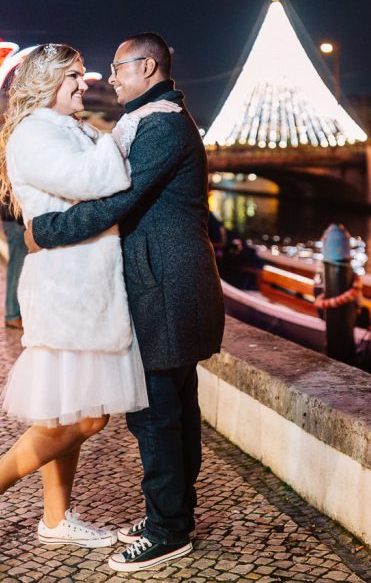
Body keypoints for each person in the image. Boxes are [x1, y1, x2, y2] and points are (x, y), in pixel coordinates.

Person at [0, 43, 180, 553]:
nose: (86, 85)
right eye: (75, 78)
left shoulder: (71, 128)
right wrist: (128, 128)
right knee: (87, 416)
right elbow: (98, 179)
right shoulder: (36, 134)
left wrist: (108, 133)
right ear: (46, 82)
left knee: (65, 411)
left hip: (85, 284)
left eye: (84, 76)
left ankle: (55, 519)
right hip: (68, 287)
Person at [26, 32, 225, 572]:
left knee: (157, 413)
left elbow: (120, 199)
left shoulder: (159, 124)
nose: (108, 78)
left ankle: (168, 530)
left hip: (165, 285)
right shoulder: (154, 119)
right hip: (168, 281)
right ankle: (173, 512)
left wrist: (45, 231)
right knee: (174, 408)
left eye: (117, 67)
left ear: (148, 66)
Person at [0, 193, 26, 330]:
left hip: (15, 218)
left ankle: (14, 314)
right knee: (17, 267)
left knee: (17, 266)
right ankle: (13, 315)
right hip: (16, 220)